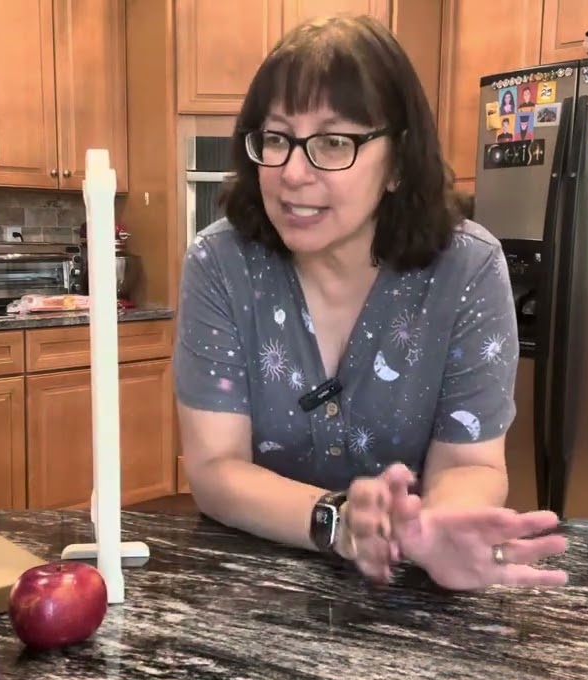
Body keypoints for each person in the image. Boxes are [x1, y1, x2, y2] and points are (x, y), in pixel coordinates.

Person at [172, 14, 567, 591]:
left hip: (408, 584)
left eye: (334, 142)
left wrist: (433, 530)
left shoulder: (467, 267)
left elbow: (471, 464)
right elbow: (215, 468)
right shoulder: (220, 264)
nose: (292, 173)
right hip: (253, 583)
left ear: (398, 163)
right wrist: (339, 523)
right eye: (276, 138)